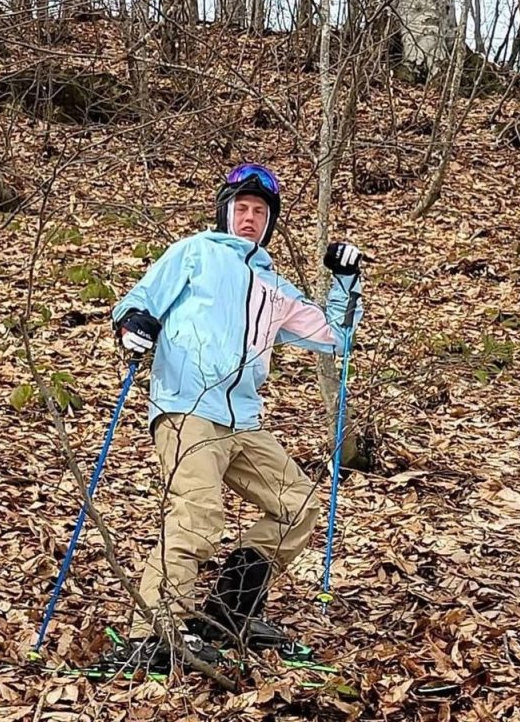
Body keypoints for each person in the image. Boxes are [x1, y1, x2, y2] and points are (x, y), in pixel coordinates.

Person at [111, 163, 363, 669]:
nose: (249, 219)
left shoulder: (276, 287)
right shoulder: (194, 254)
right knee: (198, 513)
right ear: (225, 212)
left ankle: (229, 611)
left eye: (260, 212)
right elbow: (139, 301)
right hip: (186, 408)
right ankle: (154, 632)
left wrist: (346, 281)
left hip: (243, 420)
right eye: (241, 209)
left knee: (298, 505)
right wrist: (132, 325)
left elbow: (335, 336)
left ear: (269, 222)